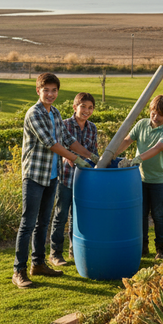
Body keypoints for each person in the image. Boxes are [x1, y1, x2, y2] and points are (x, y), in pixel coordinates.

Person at [13, 73, 97, 288]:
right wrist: (76, 158)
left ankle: (38, 264)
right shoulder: (34, 113)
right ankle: (19, 271)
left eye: (54, 90)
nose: (50, 94)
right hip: (34, 176)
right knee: (28, 224)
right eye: (46, 90)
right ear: (38, 91)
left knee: (43, 223)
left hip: (52, 176)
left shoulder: (56, 113)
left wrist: (91, 156)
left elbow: (68, 140)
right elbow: (51, 143)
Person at [115, 95, 163, 260]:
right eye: (153, 113)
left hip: (158, 180)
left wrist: (137, 159)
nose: (155, 117)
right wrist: (112, 154)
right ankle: (142, 247)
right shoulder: (142, 124)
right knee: (140, 214)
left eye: (160, 115)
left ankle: (161, 248)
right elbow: (127, 140)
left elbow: (158, 148)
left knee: (158, 215)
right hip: (139, 178)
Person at [48, 92, 98, 266]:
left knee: (77, 216)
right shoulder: (64, 126)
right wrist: (67, 157)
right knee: (61, 215)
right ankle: (55, 253)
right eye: (83, 106)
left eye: (90, 107)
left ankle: (74, 250)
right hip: (66, 178)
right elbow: (58, 148)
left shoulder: (92, 128)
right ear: (75, 107)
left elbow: (93, 154)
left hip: (84, 181)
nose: (86, 110)